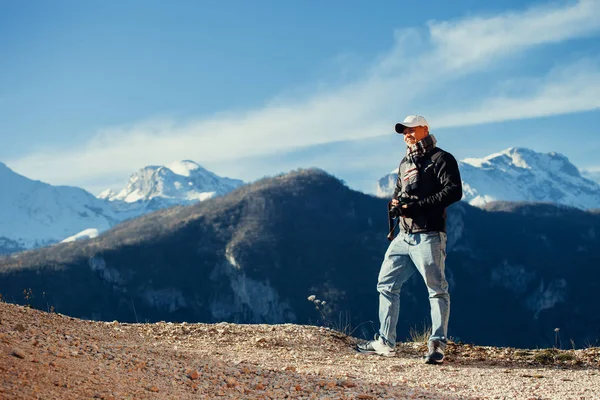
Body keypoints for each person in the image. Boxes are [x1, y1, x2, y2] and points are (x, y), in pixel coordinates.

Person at [357, 115, 462, 364]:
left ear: (425, 129)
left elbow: (453, 191)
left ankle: (437, 346)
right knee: (386, 284)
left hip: (429, 234)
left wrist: (418, 206)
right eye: (404, 132)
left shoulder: (442, 158)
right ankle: (385, 342)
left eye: (412, 130)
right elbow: (398, 193)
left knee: (436, 290)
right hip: (403, 236)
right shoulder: (405, 162)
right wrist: (397, 206)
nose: (408, 135)